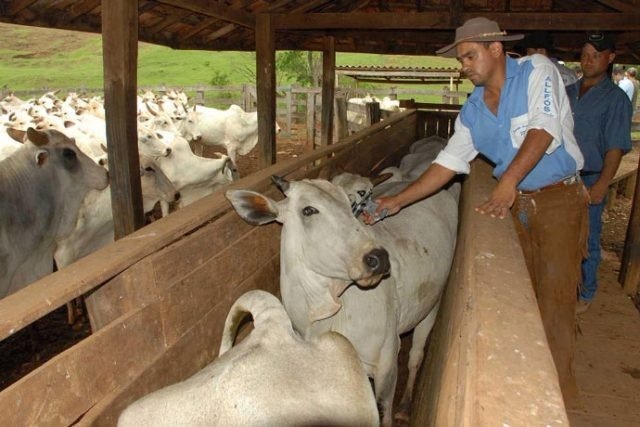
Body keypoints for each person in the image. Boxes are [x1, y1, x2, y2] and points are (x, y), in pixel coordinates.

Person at [366, 17, 588, 401]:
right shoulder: (472, 110)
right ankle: (523, 383)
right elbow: (447, 164)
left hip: (557, 200)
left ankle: (558, 400)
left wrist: (507, 181)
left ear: (496, 49)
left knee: (555, 303)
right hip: (517, 203)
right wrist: (396, 201)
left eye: (470, 56)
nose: (463, 66)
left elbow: (544, 129)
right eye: (460, 59)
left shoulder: (537, 71)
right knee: (523, 296)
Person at [566, 34, 633, 314]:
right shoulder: (568, 91)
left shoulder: (616, 99)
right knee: (561, 232)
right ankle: (563, 284)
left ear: (611, 58)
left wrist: (603, 184)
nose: (588, 60)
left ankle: (587, 290)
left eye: (596, 54)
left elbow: (615, 146)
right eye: (584, 54)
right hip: (563, 175)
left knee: (588, 236)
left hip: (592, 176)